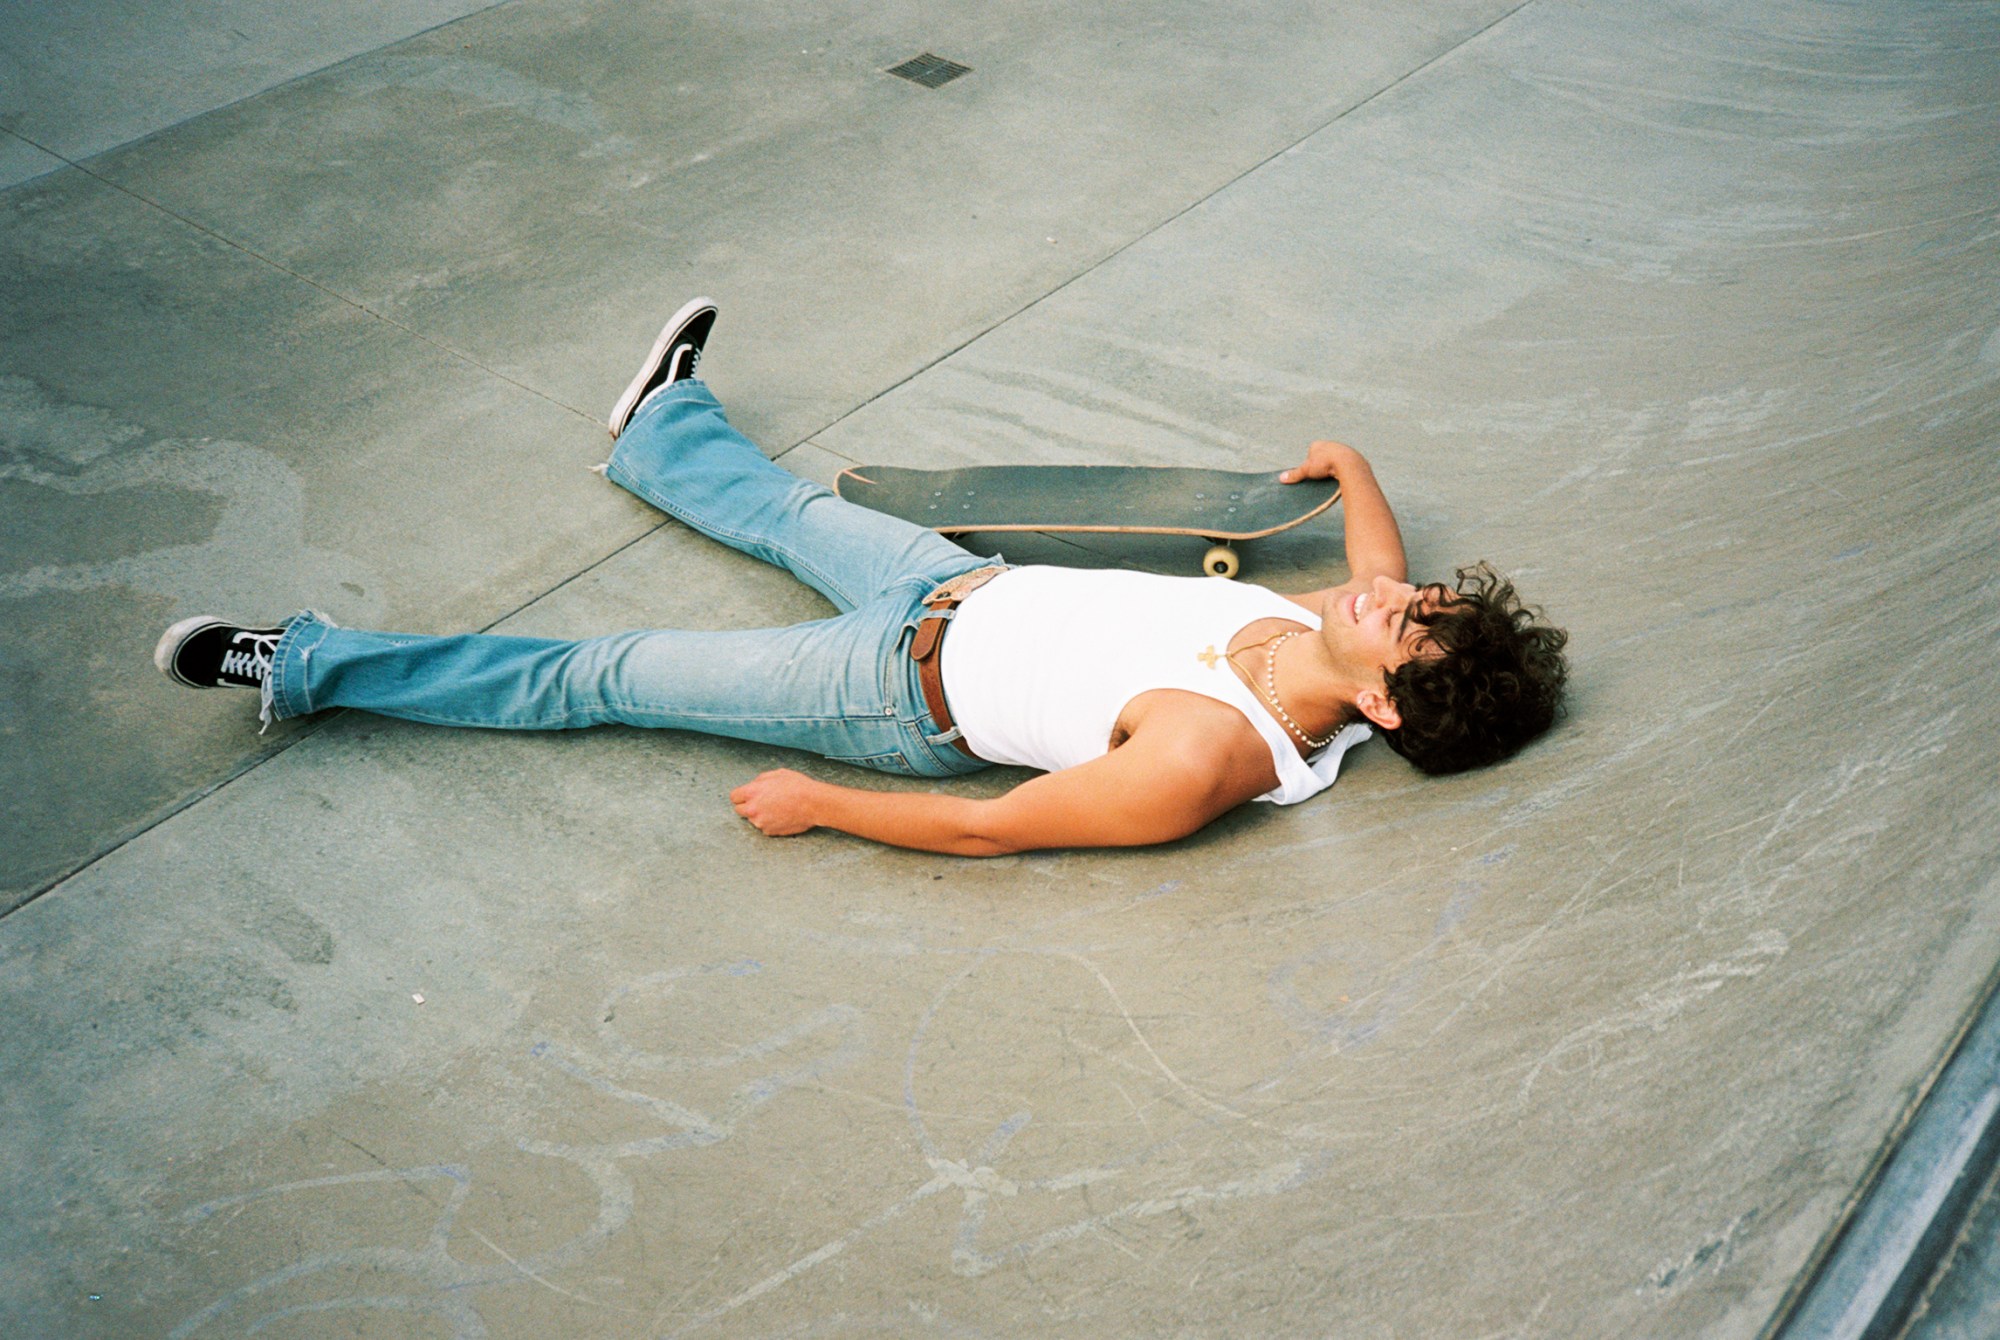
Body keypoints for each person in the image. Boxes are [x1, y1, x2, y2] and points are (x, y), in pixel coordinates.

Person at [156, 299, 1568, 856]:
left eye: (1410, 631)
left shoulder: (1208, 760)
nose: (1396, 597)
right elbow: (1378, 559)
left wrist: (826, 805)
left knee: (602, 673)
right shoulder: (1330, 626)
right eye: (1424, 597)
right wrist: (1352, 458)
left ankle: (307, 666)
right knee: (776, 504)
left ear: (1383, 712)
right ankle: (659, 426)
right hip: (955, 579)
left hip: (882, 696)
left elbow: (999, 831)